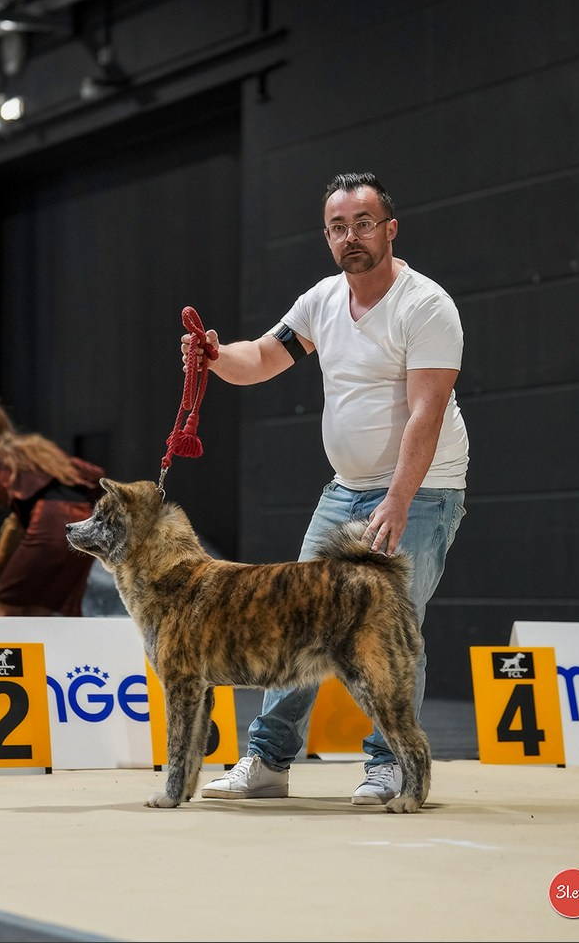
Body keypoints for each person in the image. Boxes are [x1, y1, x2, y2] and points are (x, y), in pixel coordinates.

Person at [182, 171, 469, 806]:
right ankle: (268, 762)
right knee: (293, 619)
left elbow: (427, 412)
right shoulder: (321, 301)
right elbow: (261, 358)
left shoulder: (426, 306)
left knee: (390, 627)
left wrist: (396, 500)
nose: (351, 237)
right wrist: (213, 354)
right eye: (338, 227)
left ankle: (391, 765)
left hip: (419, 492)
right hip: (345, 491)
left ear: (389, 229)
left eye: (363, 223)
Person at [0, 397, 105, 617]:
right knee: (41, 610)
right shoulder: (33, 449)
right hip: (83, 525)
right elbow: (95, 475)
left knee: (3, 605)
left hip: (50, 521)